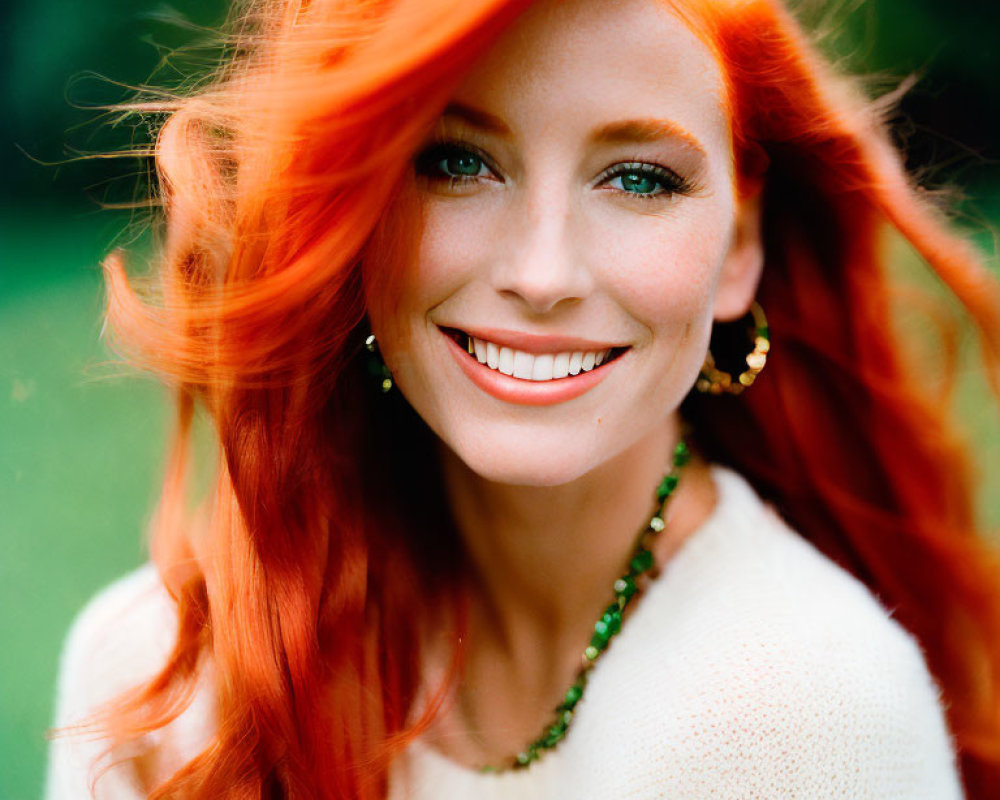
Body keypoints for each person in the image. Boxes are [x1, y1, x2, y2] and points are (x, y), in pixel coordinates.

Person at [46, 0, 1000, 797]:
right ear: (349, 208)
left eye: (639, 178)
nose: (543, 273)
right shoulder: (160, 683)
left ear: (739, 246)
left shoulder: (798, 721)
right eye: (458, 162)